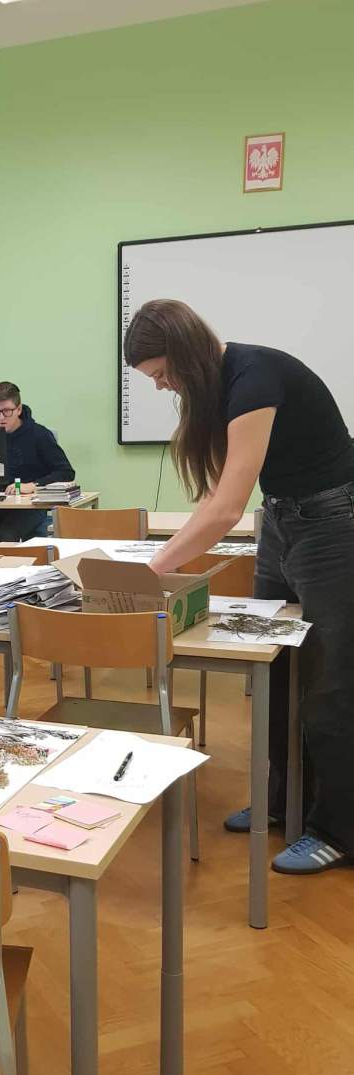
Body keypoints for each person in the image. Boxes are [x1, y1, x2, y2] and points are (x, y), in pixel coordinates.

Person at [124, 298, 354, 875]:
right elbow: (219, 494)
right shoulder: (215, 389)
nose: (160, 386)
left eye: (161, 374)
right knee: (272, 666)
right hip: (282, 520)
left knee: (332, 681)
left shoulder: (254, 378)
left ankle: (338, 830)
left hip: (335, 524)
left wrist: (149, 573)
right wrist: (159, 563)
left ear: (183, 353)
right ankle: (285, 803)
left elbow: (227, 509)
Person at [0, 381, 75, 542]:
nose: (1, 417)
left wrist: (33, 485)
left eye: (7, 411)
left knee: (7, 533)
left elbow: (66, 472)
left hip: (29, 506)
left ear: (18, 409)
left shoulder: (39, 434)